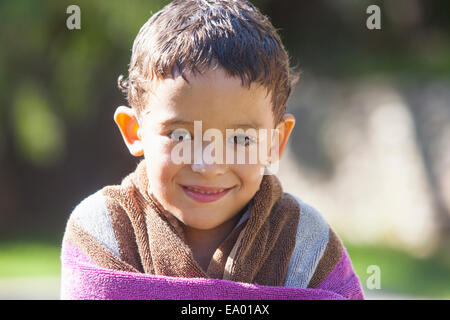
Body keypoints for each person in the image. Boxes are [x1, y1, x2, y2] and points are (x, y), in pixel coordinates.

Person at [60, 0, 364, 300]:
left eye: (241, 139)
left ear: (276, 142)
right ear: (134, 131)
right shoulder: (104, 228)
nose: (209, 166)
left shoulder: (307, 241)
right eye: (180, 135)